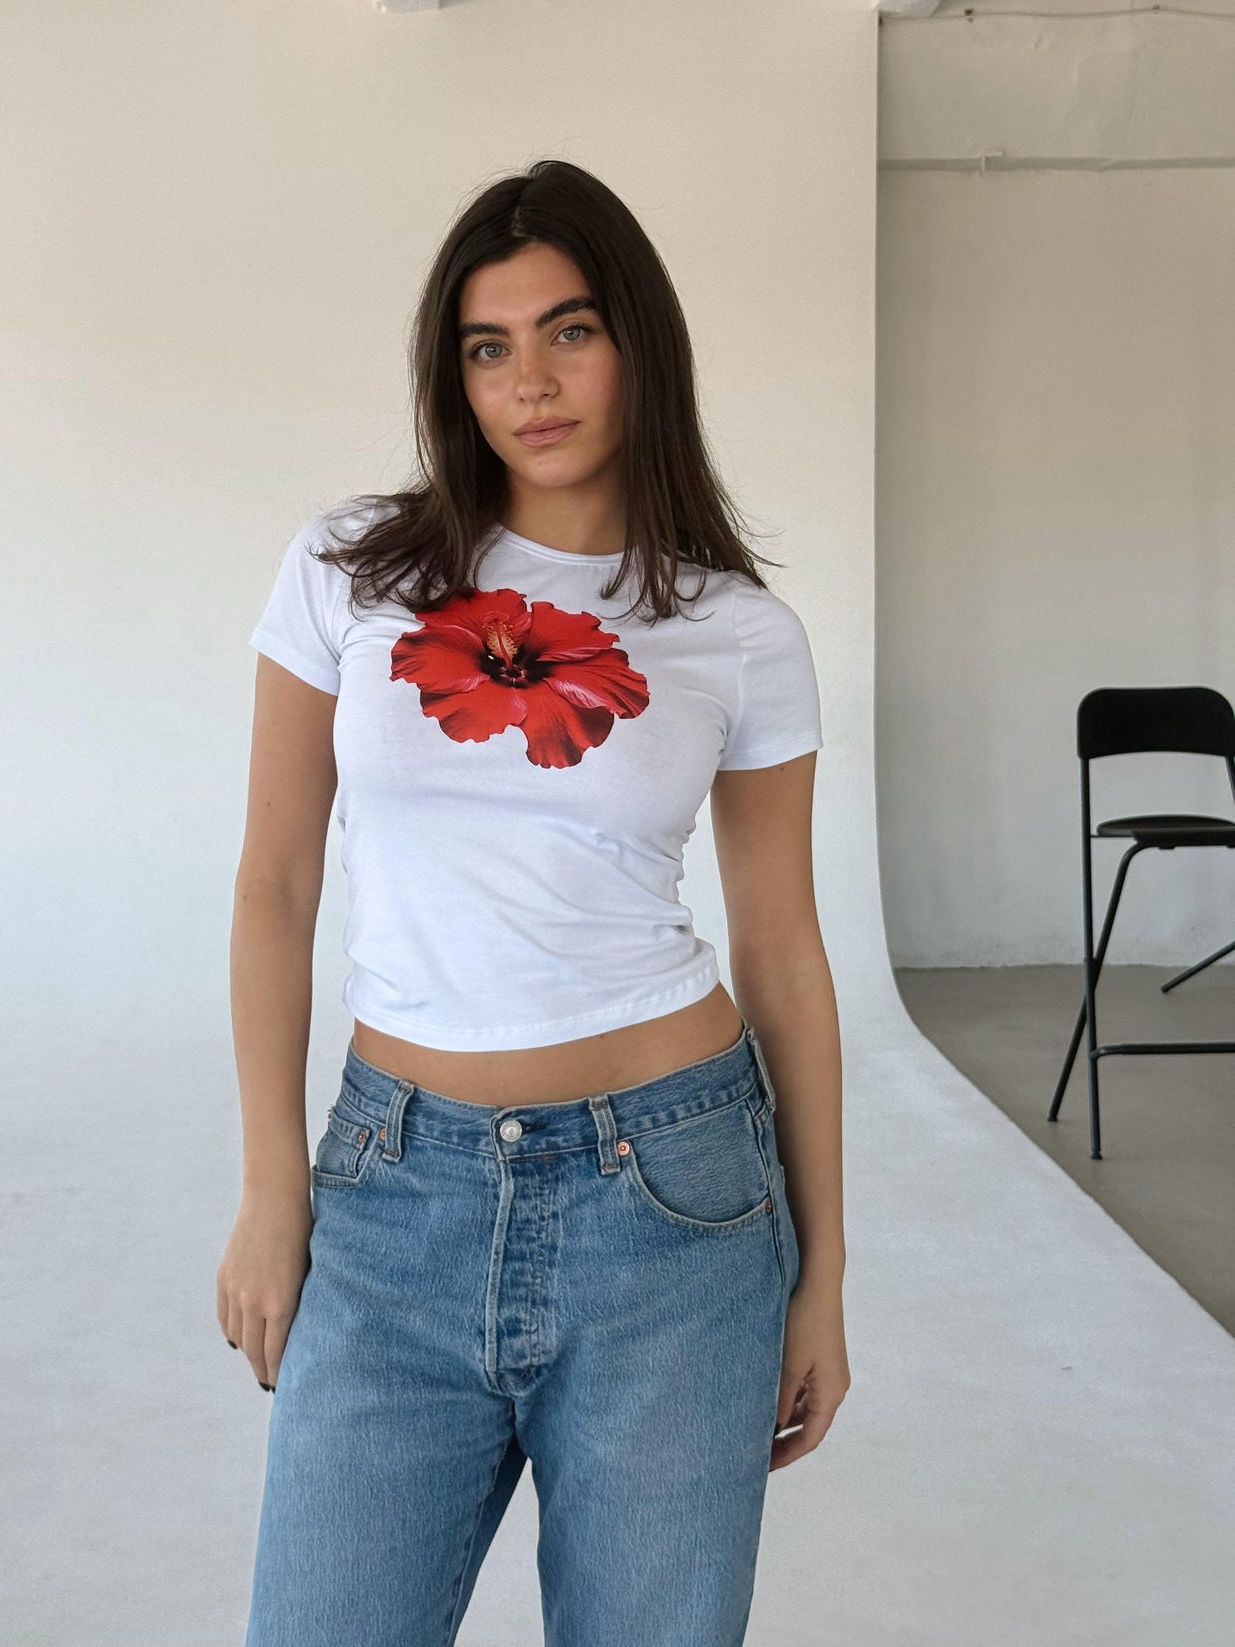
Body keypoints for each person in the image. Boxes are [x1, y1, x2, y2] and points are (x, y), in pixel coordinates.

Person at [221, 159, 850, 1646]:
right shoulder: (345, 572)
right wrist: (270, 1192)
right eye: (486, 346)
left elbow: (782, 951)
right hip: (393, 1196)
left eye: (569, 331)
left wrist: (822, 1275)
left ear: (638, 342)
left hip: (677, 1209)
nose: (531, 383)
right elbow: (272, 882)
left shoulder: (735, 632)